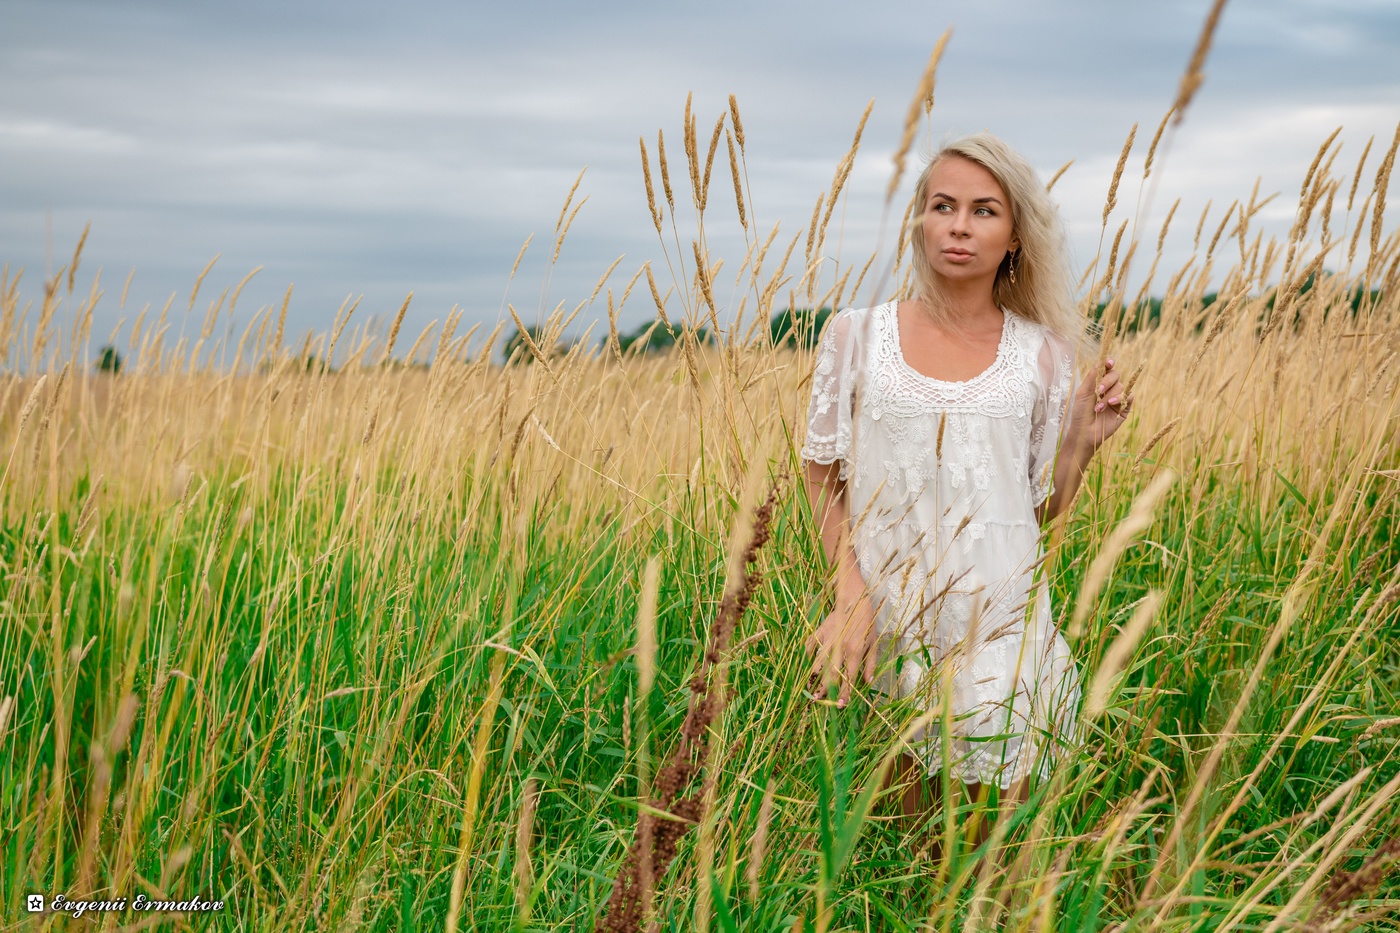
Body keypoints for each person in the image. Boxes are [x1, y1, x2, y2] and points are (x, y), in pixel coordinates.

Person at [799, 132, 1133, 832]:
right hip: (890, 625)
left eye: (984, 210)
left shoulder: (1043, 355)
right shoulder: (855, 337)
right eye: (942, 205)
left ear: (1014, 236)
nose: (958, 224)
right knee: (902, 853)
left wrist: (1082, 443)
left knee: (991, 861)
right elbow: (821, 471)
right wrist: (850, 593)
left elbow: (1040, 508)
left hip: (1003, 628)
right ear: (918, 220)